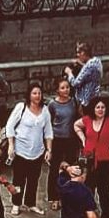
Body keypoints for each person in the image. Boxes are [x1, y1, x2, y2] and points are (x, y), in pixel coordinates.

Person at [6, 81, 53, 215]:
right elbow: (10, 126)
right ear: (29, 95)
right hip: (21, 150)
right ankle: (16, 203)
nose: (37, 96)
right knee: (19, 179)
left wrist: (49, 149)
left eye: (39, 93)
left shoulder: (45, 110)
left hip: (37, 151)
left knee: (34, 179)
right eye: (34, 93)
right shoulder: (21, 107)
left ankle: (30, 203)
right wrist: (11, 145)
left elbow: (48, 131)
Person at [47, 78, 80, 209]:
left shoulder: (73, 102)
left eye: (67, 87)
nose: (66, 90)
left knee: (70, 166)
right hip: (57, 139)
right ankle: (54, 197)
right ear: (57, 90)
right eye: (62, 88)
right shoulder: (52, 105)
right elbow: (48, 123)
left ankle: (67, 194)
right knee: (55, 168)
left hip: (71, 139)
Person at [65, 41, 103, 115]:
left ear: (83, 53)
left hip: (86, 101)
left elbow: (75, 83)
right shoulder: (97, 61)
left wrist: (69, 73)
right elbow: (90, 71)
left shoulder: (89, 66)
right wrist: (81, 64)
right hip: (95, 96)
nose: (77, 55)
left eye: (79, 53)